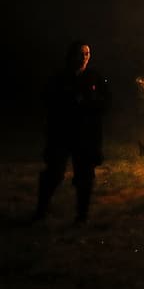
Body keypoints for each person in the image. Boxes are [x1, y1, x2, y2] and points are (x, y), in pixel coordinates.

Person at [33, 40, 112, 223]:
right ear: (71, 55)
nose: (85, 57)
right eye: (81, 53)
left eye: (87, 53)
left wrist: (87, 103)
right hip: (61, 133)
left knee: (85, 175)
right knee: (54, 172)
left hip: (86, 135)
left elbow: (106, 103)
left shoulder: (94, 77)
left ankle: (81, 216)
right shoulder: (60, 77)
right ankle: (41, 210)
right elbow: (48, 101)